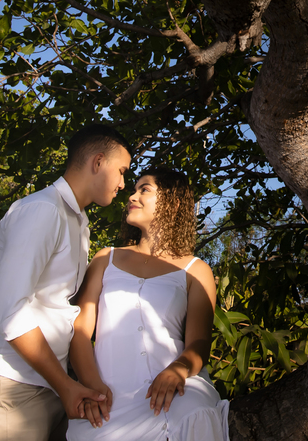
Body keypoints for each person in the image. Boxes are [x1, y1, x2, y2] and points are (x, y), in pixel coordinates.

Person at [0, 124, 133, 441]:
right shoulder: (43, 209)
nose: (123, 184)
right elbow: (9, 309)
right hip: (7, 388)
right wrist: (66, 386)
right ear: (98, 162)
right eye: (121, 171)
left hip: (47, 391)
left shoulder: (78, 223)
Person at [67, 167, 228, 441]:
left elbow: (199, 344)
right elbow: (79, 332)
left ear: (174, 203)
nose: (132, 196)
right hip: (108, 400)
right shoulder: (106, 259)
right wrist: (92, 386)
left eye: (145, 189)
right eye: (134, 189)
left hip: (174, 396)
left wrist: (179, 368)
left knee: (196, 415)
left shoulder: (196, 270)